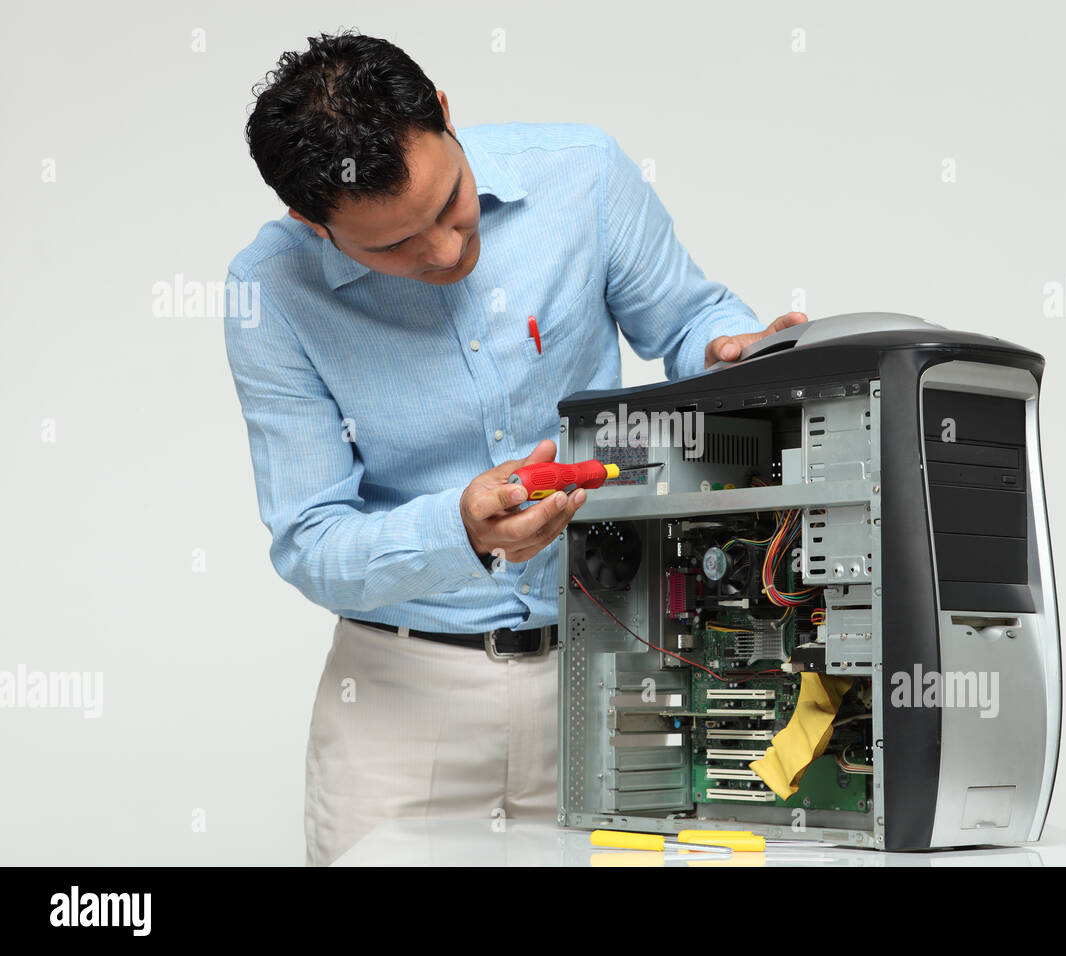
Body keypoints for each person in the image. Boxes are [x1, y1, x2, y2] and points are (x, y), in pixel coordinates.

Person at [224, 30, 806, 865]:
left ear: (449, 119)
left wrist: (735, 347)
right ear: (310, 223)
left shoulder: (585, 176)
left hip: (612, 675)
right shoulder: (268, 293)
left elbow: (687, 322)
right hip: (399, 707)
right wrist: (457, 532)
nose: (446, 252)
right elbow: (312, 540)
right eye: (392, 245)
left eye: (449, 204)